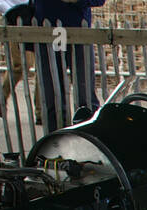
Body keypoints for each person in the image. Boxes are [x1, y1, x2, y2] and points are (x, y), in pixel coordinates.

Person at [30, 0, 103, 132]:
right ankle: (55, 143)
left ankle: (89, 139)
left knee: (85, 95)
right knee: (52, 95)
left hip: (78, 29)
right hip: (49, 29)